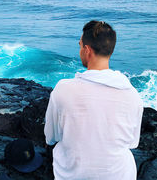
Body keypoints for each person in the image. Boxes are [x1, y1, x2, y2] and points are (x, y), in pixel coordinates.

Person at [44, 20, 143, 180]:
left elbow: (51, 137)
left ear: (87, 50)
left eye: (80, 45)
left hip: (72, 175)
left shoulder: (63, 89)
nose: (79, 50)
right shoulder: (133, 95)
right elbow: (132, 143)